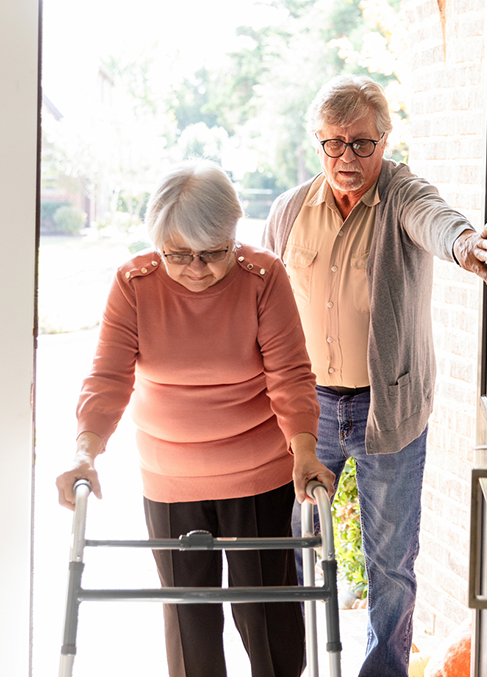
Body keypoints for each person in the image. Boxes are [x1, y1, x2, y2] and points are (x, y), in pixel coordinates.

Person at [56, 160, 335, 677]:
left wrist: (304, 451)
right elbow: (107, 378)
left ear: (234, 234)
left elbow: (290, 374)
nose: (197, 268)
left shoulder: (263, 277)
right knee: (190, 622)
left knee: (266, 614)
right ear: (159, 242)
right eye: (179, 254)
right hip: (171, 479)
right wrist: (84, 452)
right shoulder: (135, 283)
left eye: (213, 253)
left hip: (257, 473)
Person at [263, 74, 487, 677]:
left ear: (385, 140)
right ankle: (289, 665)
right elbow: (261, 305)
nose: (347, 157)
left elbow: (436, 219)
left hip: (385, 409)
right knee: (288, 548)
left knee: (390, 563)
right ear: (318, 143)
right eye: (334, 143)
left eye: (362, 143)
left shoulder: (402, 195)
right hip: (306, 411)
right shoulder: (289, 211)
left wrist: (466, 244)